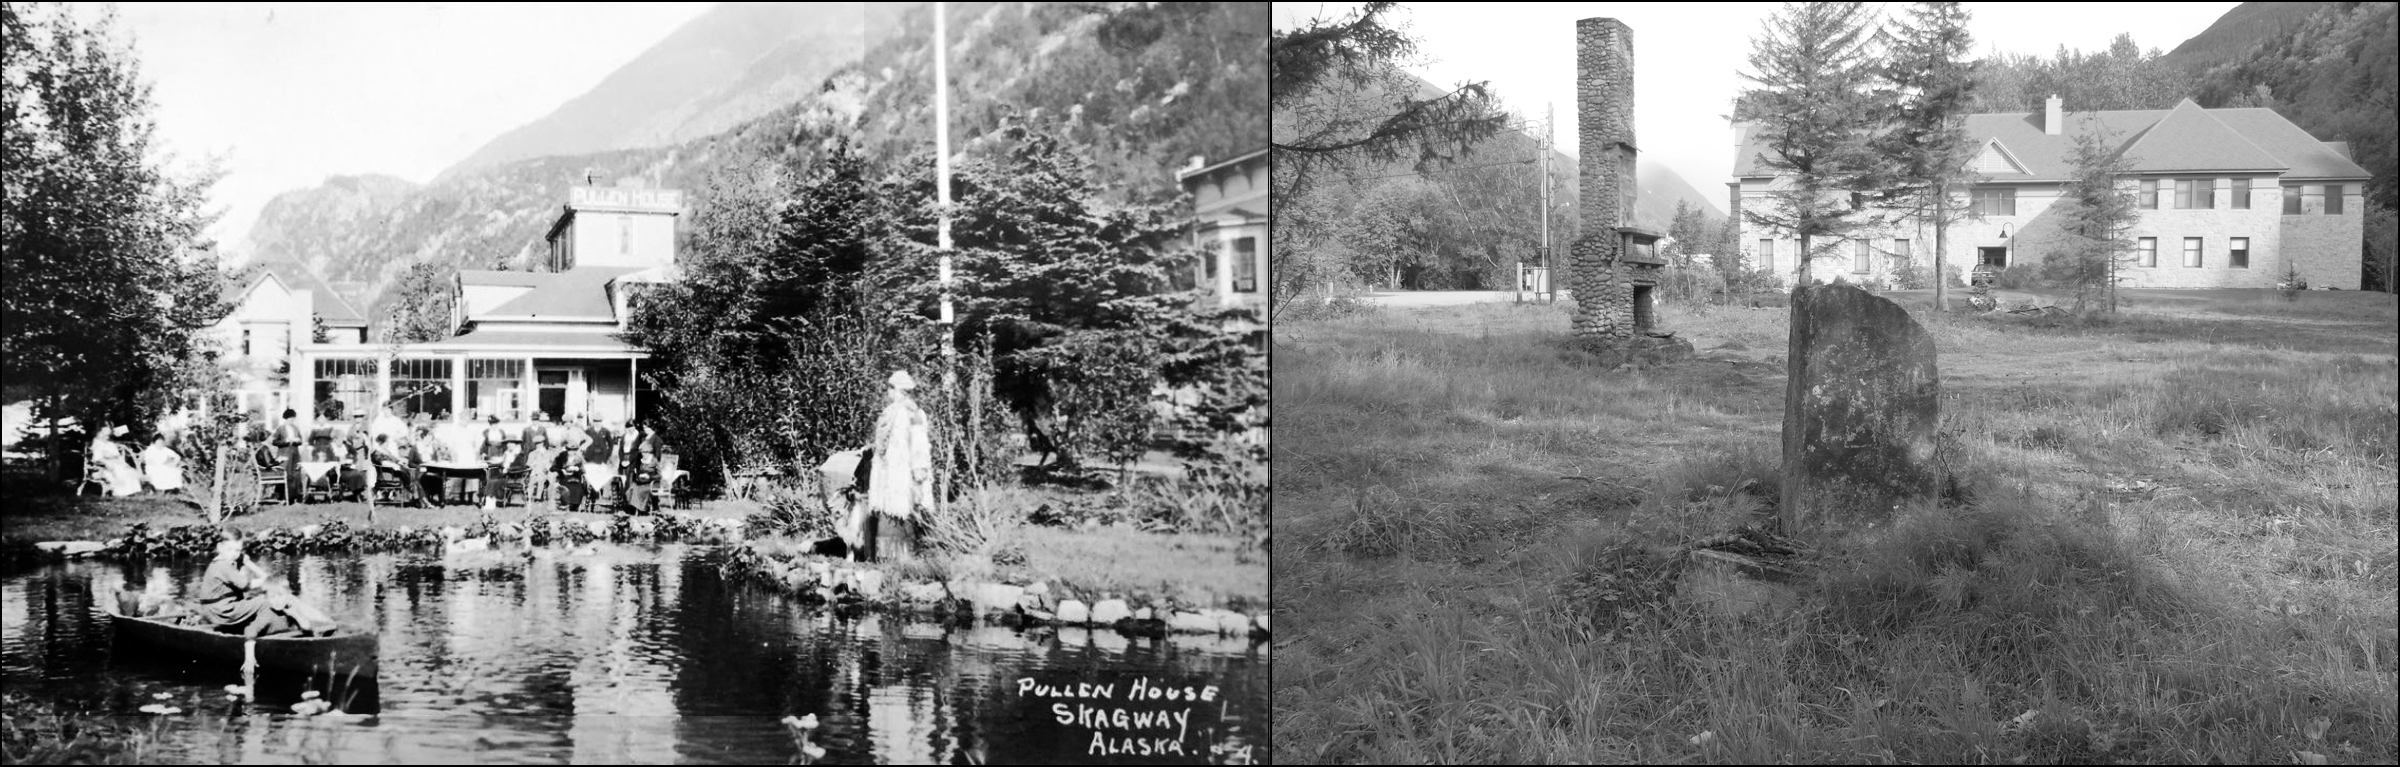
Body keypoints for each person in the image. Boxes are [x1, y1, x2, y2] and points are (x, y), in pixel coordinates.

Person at [193, 532, 335, 638]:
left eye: (237, 550)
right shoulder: (222, 565)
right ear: (220, 548)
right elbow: (247, 585)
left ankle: (320, 621)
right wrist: (267, 582)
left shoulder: (232, 559)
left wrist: (249, 564)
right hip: (220, 611)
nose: (234, 554)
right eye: (230, 550)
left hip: (226, 608)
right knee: (265, 601)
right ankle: (306, 622)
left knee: (284, 597)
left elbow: (261, 575)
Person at [864, 371, 934, 561]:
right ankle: (887, 560)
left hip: (904, 475)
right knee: (888, 512)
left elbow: (919, 444)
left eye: (890, 388)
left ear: (898, 389)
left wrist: (919, 471)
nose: (888, 392)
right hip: (889, 474)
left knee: (903, 513)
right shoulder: (890, 412)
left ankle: (903, 560)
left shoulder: (914, 414)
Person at [478, 413, 515, 507]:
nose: (494, 426)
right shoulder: (486, 432)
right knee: (487, 475)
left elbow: (505, 445)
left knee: (497, 475)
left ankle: (495, 496)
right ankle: (486, 497)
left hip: (500, 455)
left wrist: (505, 455)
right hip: (490, 454)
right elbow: (483, 445)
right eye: (492, 424)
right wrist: (483, 453)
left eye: (496, 423)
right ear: (490, 424)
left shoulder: (501, 432)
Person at [521, 411, 556, 503]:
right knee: (532, 475)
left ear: (539, 420)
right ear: (531, 420)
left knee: (541, 475)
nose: (535, 421)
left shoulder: (542, 429)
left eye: (537, 420)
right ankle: (529, 496)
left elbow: (547, 441)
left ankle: (538, 496)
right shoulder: (526, 430)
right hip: (531, 453)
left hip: (542, 457)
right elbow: (523, 442)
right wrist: (528, 453)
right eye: (533, 420)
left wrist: (545, 452)